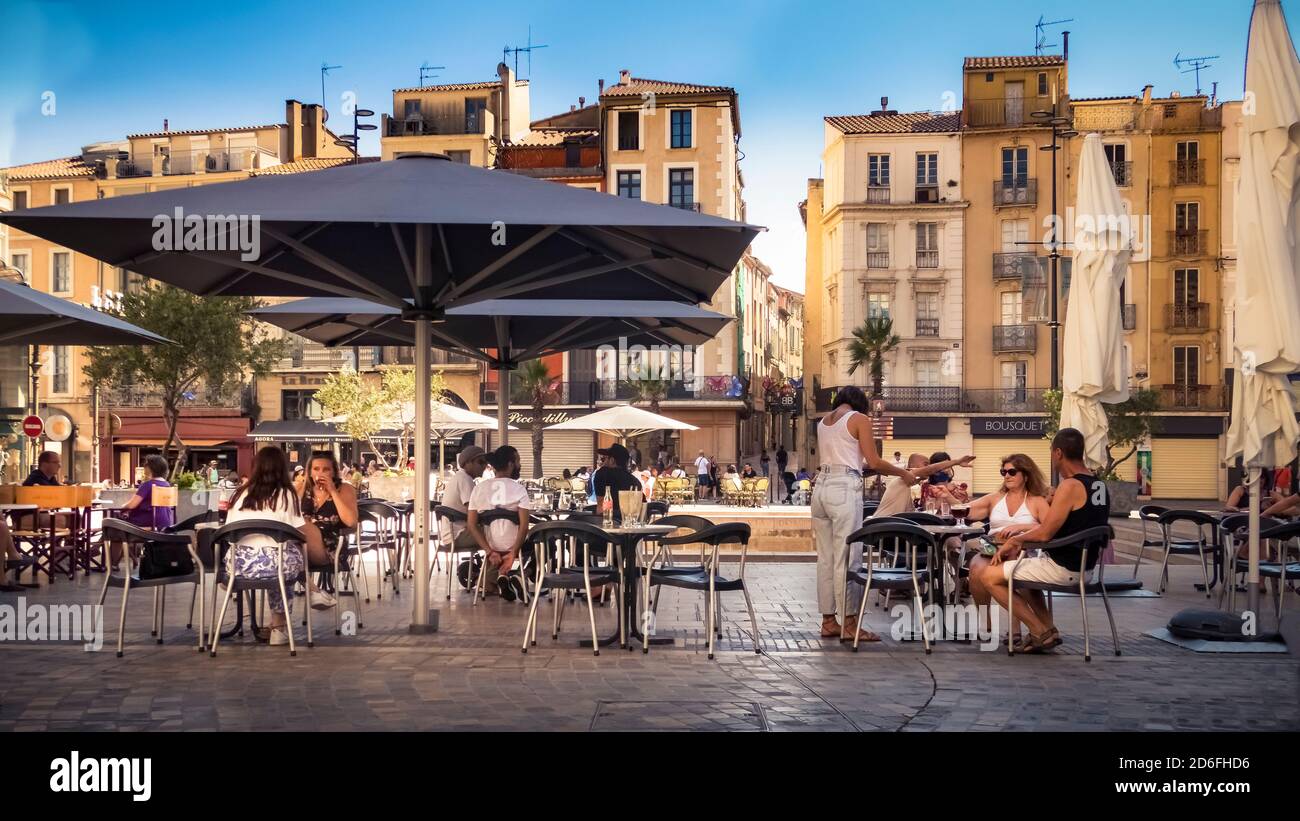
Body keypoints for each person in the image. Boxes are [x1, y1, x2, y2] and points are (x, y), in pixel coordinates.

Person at [983, 428, 1110, 653]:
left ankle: (1038, 631)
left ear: (1058, 453)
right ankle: (1049, 631)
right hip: (1087, 567)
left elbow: (1044, 533)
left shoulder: (1070, 485)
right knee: (1023, 573)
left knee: (989, 576)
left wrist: (1015, 541)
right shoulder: (1098, 483)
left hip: (1064, 567)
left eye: (1052, 453)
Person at [812, 386, 917, 642]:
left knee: (826, 558)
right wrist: (904, 473)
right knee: (849, 558)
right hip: (844, 490)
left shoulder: (823, 422)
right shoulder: (859, 419)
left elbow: (848, 459)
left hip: (821, 488)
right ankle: (849, 624)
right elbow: (874, 460)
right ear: (860, 404)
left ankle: (828, 621)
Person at [224, 446, 330, 645]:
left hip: (237, 568)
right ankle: (281, 625)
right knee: (286, 558)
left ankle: (306, 597)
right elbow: (299, 532)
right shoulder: (286, 495)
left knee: (280, 557)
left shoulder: (239, 495)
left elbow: (228, 531)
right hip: (276, 566)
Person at [960, 454, 1050, 638]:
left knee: (1014, 566)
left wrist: (1022, 526)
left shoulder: (1037, 501)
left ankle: (1016, 629)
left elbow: (1050, 527)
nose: (1006, 476)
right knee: (975, 568)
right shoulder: (995, 498)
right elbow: (966, 511)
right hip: (992, 549)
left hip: (1024, 551)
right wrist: (946, 496)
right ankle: (986, 623)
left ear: (1026, 475)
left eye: (1012, 472)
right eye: (1004, 472)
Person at [467, 446, 530, 601]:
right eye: (518, 461)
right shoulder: (520, 489)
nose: (519, 465)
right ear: (510, 464)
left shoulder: (478, 489)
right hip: (514, 544)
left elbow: (472, 524)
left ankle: (502, 577)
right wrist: (514, 551)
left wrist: (489, 551)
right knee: (548, 545)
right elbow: (524, 526)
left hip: (492, 545)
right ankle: (519, 576)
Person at [300, 451, 359, 609]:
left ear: (334, 472)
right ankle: (315, 592)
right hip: (301, 547)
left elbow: (352, 523)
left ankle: (231, 573)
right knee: (285, 552)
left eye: (326, 469)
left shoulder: (344, 489)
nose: (320, 473)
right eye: (316, 469)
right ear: (309, 471)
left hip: (332, 548)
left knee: (300, 530)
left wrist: (332, 491)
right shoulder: (302, 490)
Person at [107, 454, 176, 567]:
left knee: (114, 528)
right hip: (164, 524)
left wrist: (123, 506)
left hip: (147, 524)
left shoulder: (148, 485)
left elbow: (132, 505)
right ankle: (126, 558)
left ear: (151, 468)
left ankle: (111, 564)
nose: (144, 467)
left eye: (146, 465)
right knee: (117, 526)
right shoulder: (167, 485)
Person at [874, 452, 975, 518]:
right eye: (926, 464)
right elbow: (929, 470)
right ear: (912, 467)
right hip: (884, 533)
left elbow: (911, 515)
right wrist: (956, 462)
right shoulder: (900, 480)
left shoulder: (908, 486)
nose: (930, 468)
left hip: (893, 533)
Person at [440, 446, 486, 554]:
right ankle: (492, 570)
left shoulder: (460, 477)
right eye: (481, 462)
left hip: (450, 535)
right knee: (499, 536)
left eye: (485, 462)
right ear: (467, 463)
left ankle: (485, 568)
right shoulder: (465, 479)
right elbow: (474, 510)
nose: (484, 466)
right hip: (458, 535)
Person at [591, 443, 643, 521]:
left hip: (605, 525)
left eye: (604, 459)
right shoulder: (636, 482)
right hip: (628, 527)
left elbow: (601, 505)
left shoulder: (602, 473)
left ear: (612, 460)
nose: (602, 463)